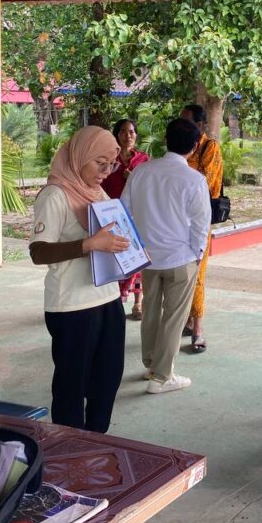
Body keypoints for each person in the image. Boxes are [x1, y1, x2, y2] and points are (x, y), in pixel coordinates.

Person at [29, 126, 130, 432]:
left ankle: (97, 439)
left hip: (107, 298)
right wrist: (88, 245)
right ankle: (70, 444)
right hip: (72, 306)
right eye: (100, 163)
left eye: (111, 165)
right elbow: (38, 252)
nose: (105, 172)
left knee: (107, 379)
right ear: (80, 157)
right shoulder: (55, 195)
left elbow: (110, 236)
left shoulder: (97, 193)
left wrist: (131, 249)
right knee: (71, 385)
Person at [122, 118, 211, 395]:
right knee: (174, 317)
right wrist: (197, 254)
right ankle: (162, 376)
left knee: (150, 311)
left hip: (148, 258)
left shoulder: (141, 172)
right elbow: (201, 224)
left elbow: (124, 210)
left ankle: (151, 364)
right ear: (194, 147)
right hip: (180, 258)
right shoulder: (194, 179)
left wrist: (136, 246)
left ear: (165, 140)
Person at [180, 103, 223, 353]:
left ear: (199, 125)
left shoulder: (209, 147)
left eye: (187, 121)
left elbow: (205, 183)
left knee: (197, 271)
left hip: (198, 218)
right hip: (178, 218)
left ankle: (198, 328)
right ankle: (187, 320)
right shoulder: (182, 149)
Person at [101, 118, 150, 320]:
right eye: (123, 132)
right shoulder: (109, 159)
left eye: (131, 132)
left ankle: (138, 303)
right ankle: (116, 302)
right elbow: (101, 183)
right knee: (116, 259)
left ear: (136, 135)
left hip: (136, 216)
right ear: (116, 135)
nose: (127, 135)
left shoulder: (144, 160)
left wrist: (133, 179)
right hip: (112, 215)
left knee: (137, 259)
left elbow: (149, 187)